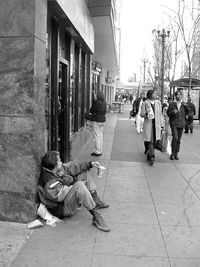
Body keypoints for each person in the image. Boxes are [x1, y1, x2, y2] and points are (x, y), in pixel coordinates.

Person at [37, 151, 110, 232]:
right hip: (62, 209)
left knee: (83, 173)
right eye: (59, 161)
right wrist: (75, 186)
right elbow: (60, 196)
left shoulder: (55, 169)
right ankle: (96, 217)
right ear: (55, 165)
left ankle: (96, 200)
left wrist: (90, 164)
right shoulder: (49, 182)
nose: (61, 162)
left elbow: (72, 168)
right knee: (80, 186)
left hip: (66, 198)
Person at [140, 90, 164, 165]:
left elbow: (160, 114)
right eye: (154, 93)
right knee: (150, 141)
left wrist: (162, 125)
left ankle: (149, 154)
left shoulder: (158, 103)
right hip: (149, 125)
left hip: (156, 125)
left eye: (156, 93)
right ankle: (151, 156)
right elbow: (141, 114)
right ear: (150, 94)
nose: (156, 94)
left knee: (154, 140)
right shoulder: (145, 103)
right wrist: (147, 113)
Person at [167, 90, 189, 160]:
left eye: (179, 95)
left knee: (179, 140)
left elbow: (188, 112)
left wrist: (186, 107)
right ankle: (172, 154)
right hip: (174, 123)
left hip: (181, 123)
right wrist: (173, 112)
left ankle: (176, 153)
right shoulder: (172, 104)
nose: (178, 96)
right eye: (177, 95)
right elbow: (168, 113)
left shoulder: (183, 104)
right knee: (175, 138)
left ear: (181, 96)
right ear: (175, 96)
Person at [90, 91, 107, 156]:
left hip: (97, 120)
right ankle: (100, 150)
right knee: (100, 135)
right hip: (102, 120)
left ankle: (97, 151)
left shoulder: (96, 102)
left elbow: (91, 111)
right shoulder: (104, 102)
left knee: (96, 136)